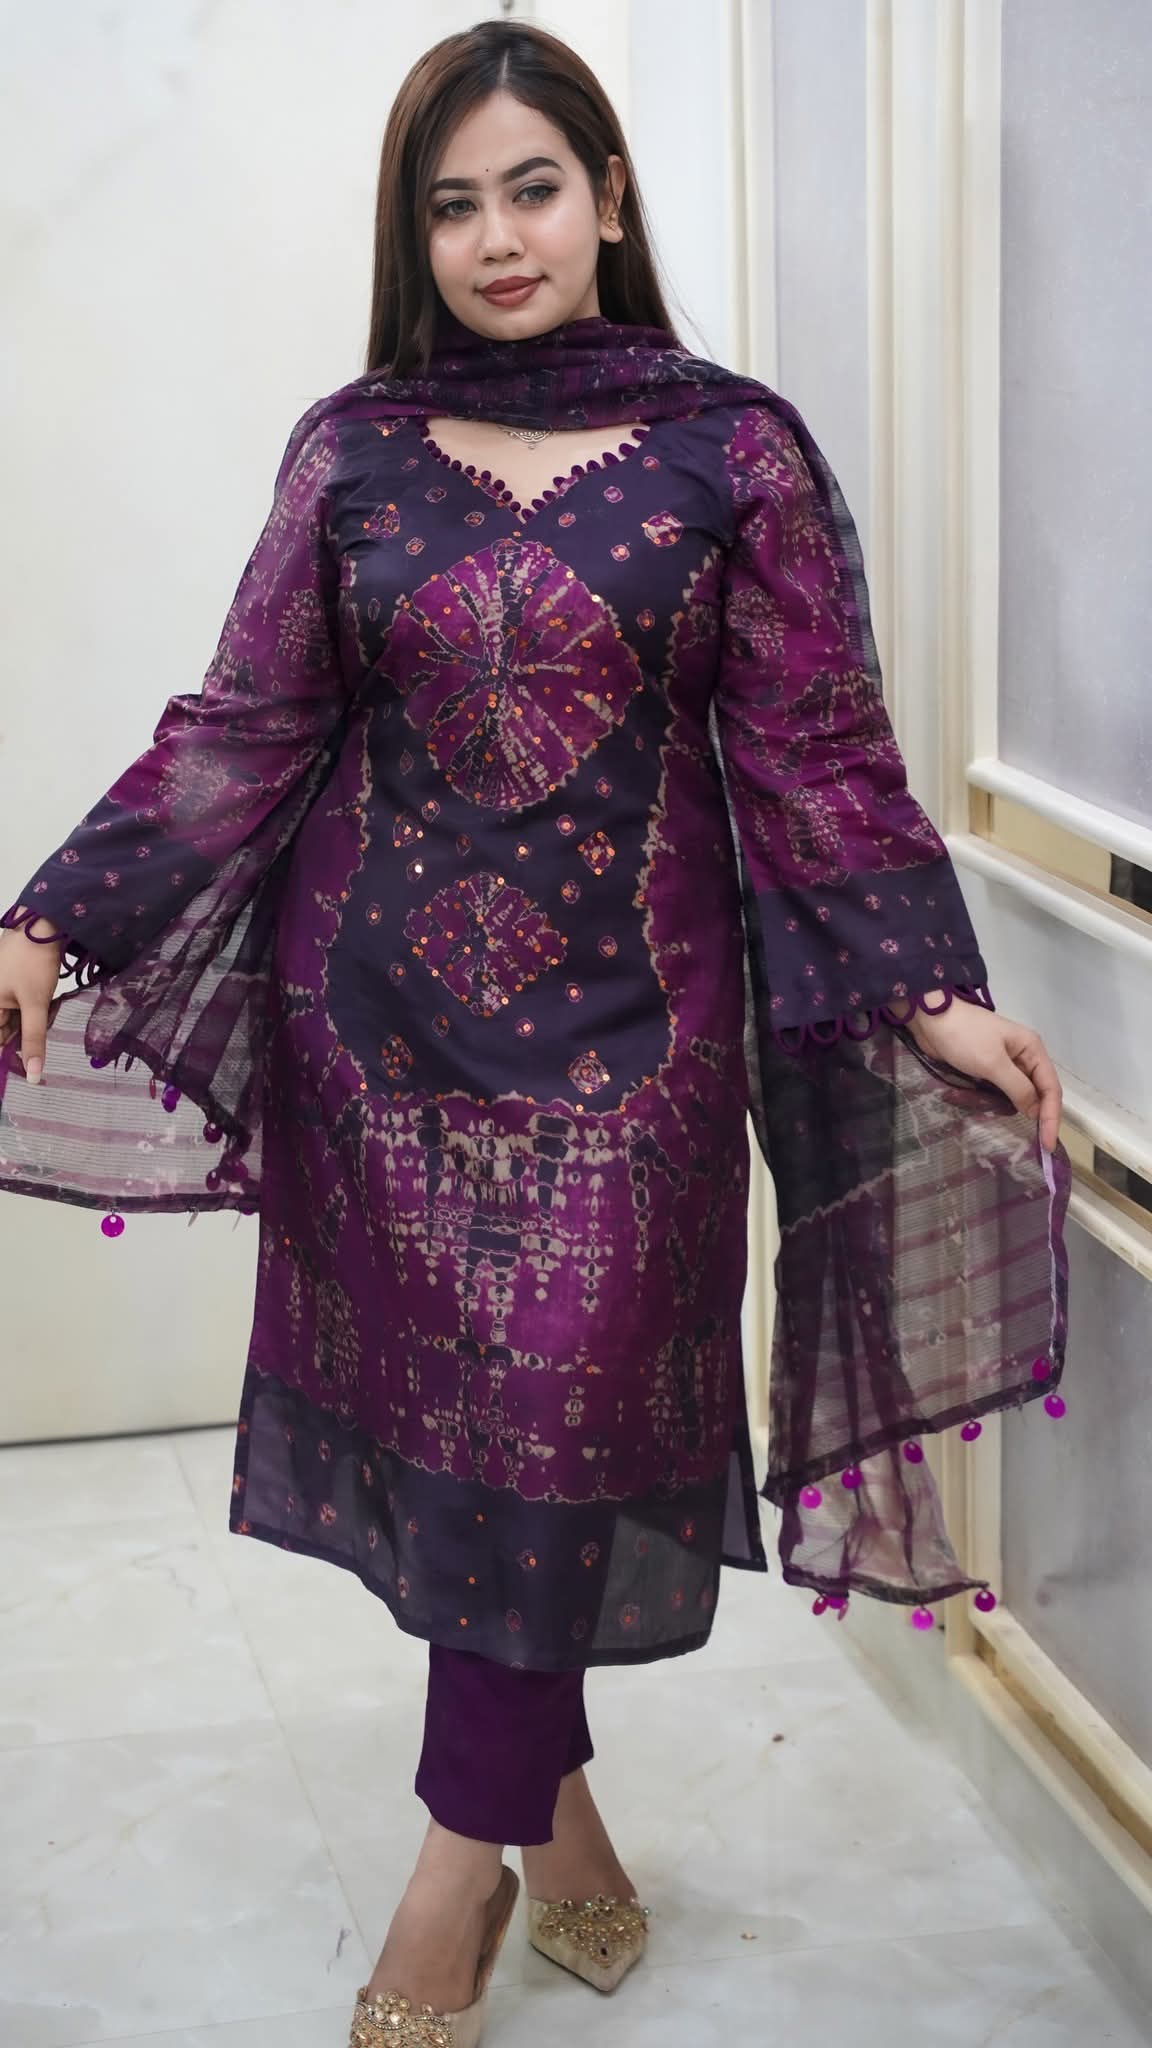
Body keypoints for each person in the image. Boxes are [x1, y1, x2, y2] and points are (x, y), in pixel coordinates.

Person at [0, 20, 1070, 2048]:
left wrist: (932, 992)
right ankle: (555, 1826)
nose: (499, 237)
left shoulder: (733, 453)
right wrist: (53, 913)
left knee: (561, 1423)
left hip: (636, 1058)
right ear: (413, 233)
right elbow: (248, 727)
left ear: (610, 200)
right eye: (454, 203)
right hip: (374, 1042)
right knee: (474, 1458)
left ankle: (449, 1883)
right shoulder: (350, 451)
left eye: (534, 190)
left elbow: (820, 754)